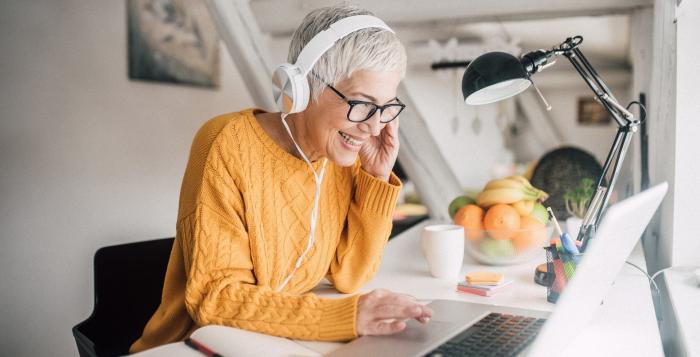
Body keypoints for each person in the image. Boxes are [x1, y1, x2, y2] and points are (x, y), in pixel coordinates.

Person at [129, 5, 432, 353]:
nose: (375, 126)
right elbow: (215, 298)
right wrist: (344, 317)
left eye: (385, 108)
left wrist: (377, 177)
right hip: (191, 345)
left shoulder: (341, 156)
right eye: (362, 104)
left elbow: (351, 276)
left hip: (274, 341)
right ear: (303, 87)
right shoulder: (226, 143)